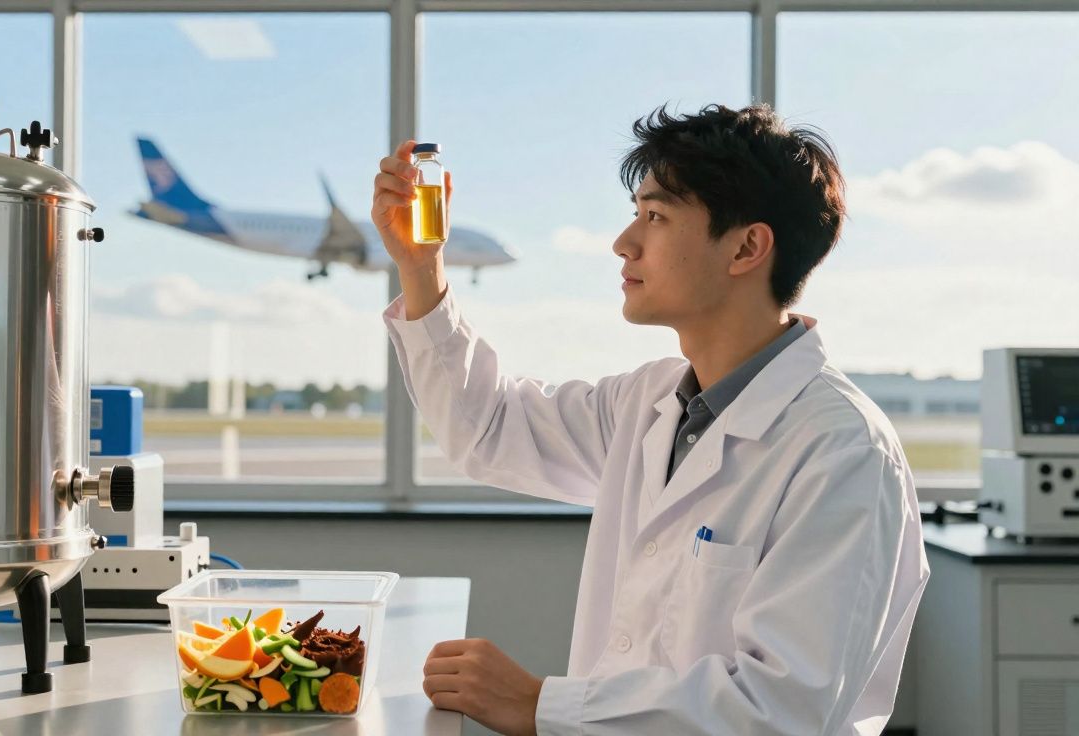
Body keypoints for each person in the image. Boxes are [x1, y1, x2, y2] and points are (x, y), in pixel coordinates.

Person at [371, 104, 929, 736]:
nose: (623, 242)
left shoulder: (842, 450)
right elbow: (490, 431)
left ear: (748, 246)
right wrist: (422, 268)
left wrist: (537, 706)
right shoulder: (648, 403)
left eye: (656, 216)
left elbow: (783, 711)